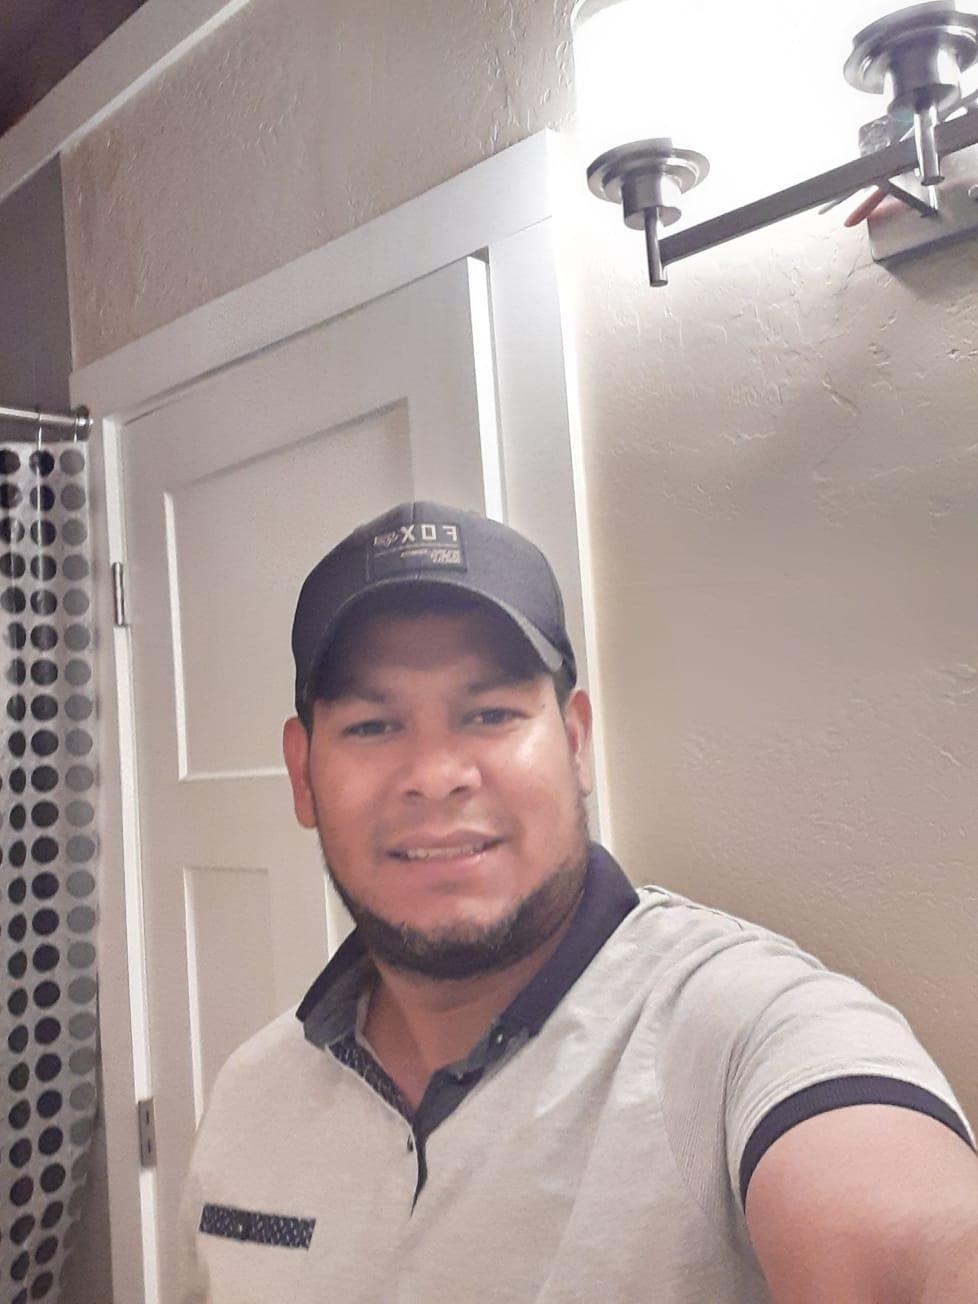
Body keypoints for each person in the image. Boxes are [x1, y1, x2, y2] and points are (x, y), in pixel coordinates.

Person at [180, 500, 978, 1303]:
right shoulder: (251, 1094)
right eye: (372, 725)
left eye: (490, 714)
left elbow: (914, 1237)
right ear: (302, 773)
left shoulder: (746, 1032)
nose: (436, 774)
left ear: (574, 742)